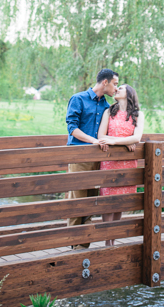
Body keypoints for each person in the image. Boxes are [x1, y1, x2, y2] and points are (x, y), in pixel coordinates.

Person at [65, 68, 119, 250]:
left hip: (98, 160)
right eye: (115, 84)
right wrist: (94, 140)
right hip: (79, 157)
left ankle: (83, 247)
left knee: (90, 203)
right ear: (105, 82)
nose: (116, 88)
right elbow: (72, 128)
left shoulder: (107, 107)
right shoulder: (78, 99)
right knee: (77, 203)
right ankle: (73, 247)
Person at [97, 84, 145, 247]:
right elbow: (102, 136)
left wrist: (115, 140)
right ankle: (107, 241)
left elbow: (137, 138)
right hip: (110, 161)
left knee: (120, 201)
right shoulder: (109, 112)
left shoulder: (138, 115)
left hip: (127, 164)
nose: (117, 89)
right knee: (108, 201)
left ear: (129, 94)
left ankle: (113, 238)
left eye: (121, 88)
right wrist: (126, 142)